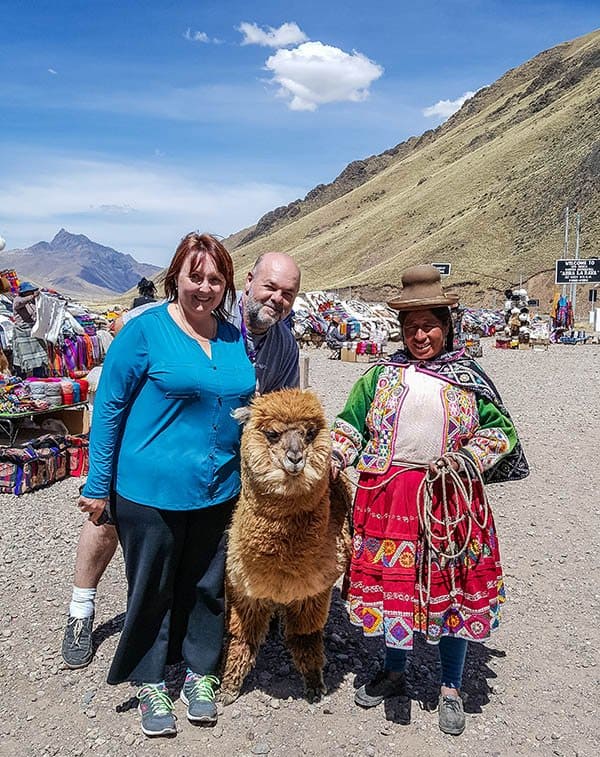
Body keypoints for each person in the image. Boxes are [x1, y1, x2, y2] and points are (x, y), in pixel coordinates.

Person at [61, 253, 301, 660]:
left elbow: (284, 409)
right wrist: (100, 478)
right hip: (147, 450)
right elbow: (112, 400)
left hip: (220, 462)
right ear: (247, 282)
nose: (277, 298)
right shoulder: (187, 314)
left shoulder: (283, 347)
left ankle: (204, 626)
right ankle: (80, 608)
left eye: (288, 293)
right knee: (106, 521)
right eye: (270, 287)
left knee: (203, 544)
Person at [330, 265, 528, 736]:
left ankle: (450, 687)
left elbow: (503, 432)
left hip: (448, 500)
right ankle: (395, 672)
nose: (420, 335)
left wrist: (469, 458)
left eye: (429, 325)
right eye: (411, 326)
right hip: (388, 499)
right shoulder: (379, 376)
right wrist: (334, 456)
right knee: (396, 588)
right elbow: (351, 423)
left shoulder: (467, 377)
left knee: (450, 589)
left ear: (447, 324)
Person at [76, 233, 256, 737]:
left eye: (215, 279)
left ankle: (201, 673)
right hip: (149, 488)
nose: (204, 287)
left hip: (220, 487)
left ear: (227, 285)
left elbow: (247, 403)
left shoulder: (233, 336)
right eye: (194, 276)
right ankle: (151, 682)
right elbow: (109, 407)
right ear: (175, 276)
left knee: (205, 585)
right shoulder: (145, 332)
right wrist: (98, 484)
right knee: (151, 586)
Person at [11, 281, 48, 377]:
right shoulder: (18, 300)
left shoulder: (32, 302)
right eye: (29, 292)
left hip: (33, 331)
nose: (31, 293)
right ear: (24, 292)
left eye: (32, 292)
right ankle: (21, 379)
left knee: (39, 356)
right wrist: (32, 296)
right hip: (22, 332)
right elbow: (19, 303)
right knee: (23, 357)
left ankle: (39, 377)